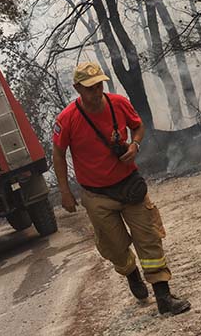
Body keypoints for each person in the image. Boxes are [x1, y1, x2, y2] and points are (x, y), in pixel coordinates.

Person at [52, 62, 190, 315]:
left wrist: (135, 145)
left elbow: (137, 125)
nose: (96, 92)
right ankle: (131, 273)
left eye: (99, 86)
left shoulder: (118, 103)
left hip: (129, 186)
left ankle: (163, 296)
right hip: (96, 195)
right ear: (77, 89)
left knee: (148, 238)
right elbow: (58, 154)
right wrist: (64, 191)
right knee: (114, 246)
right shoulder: (67, 119)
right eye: (90, 88)